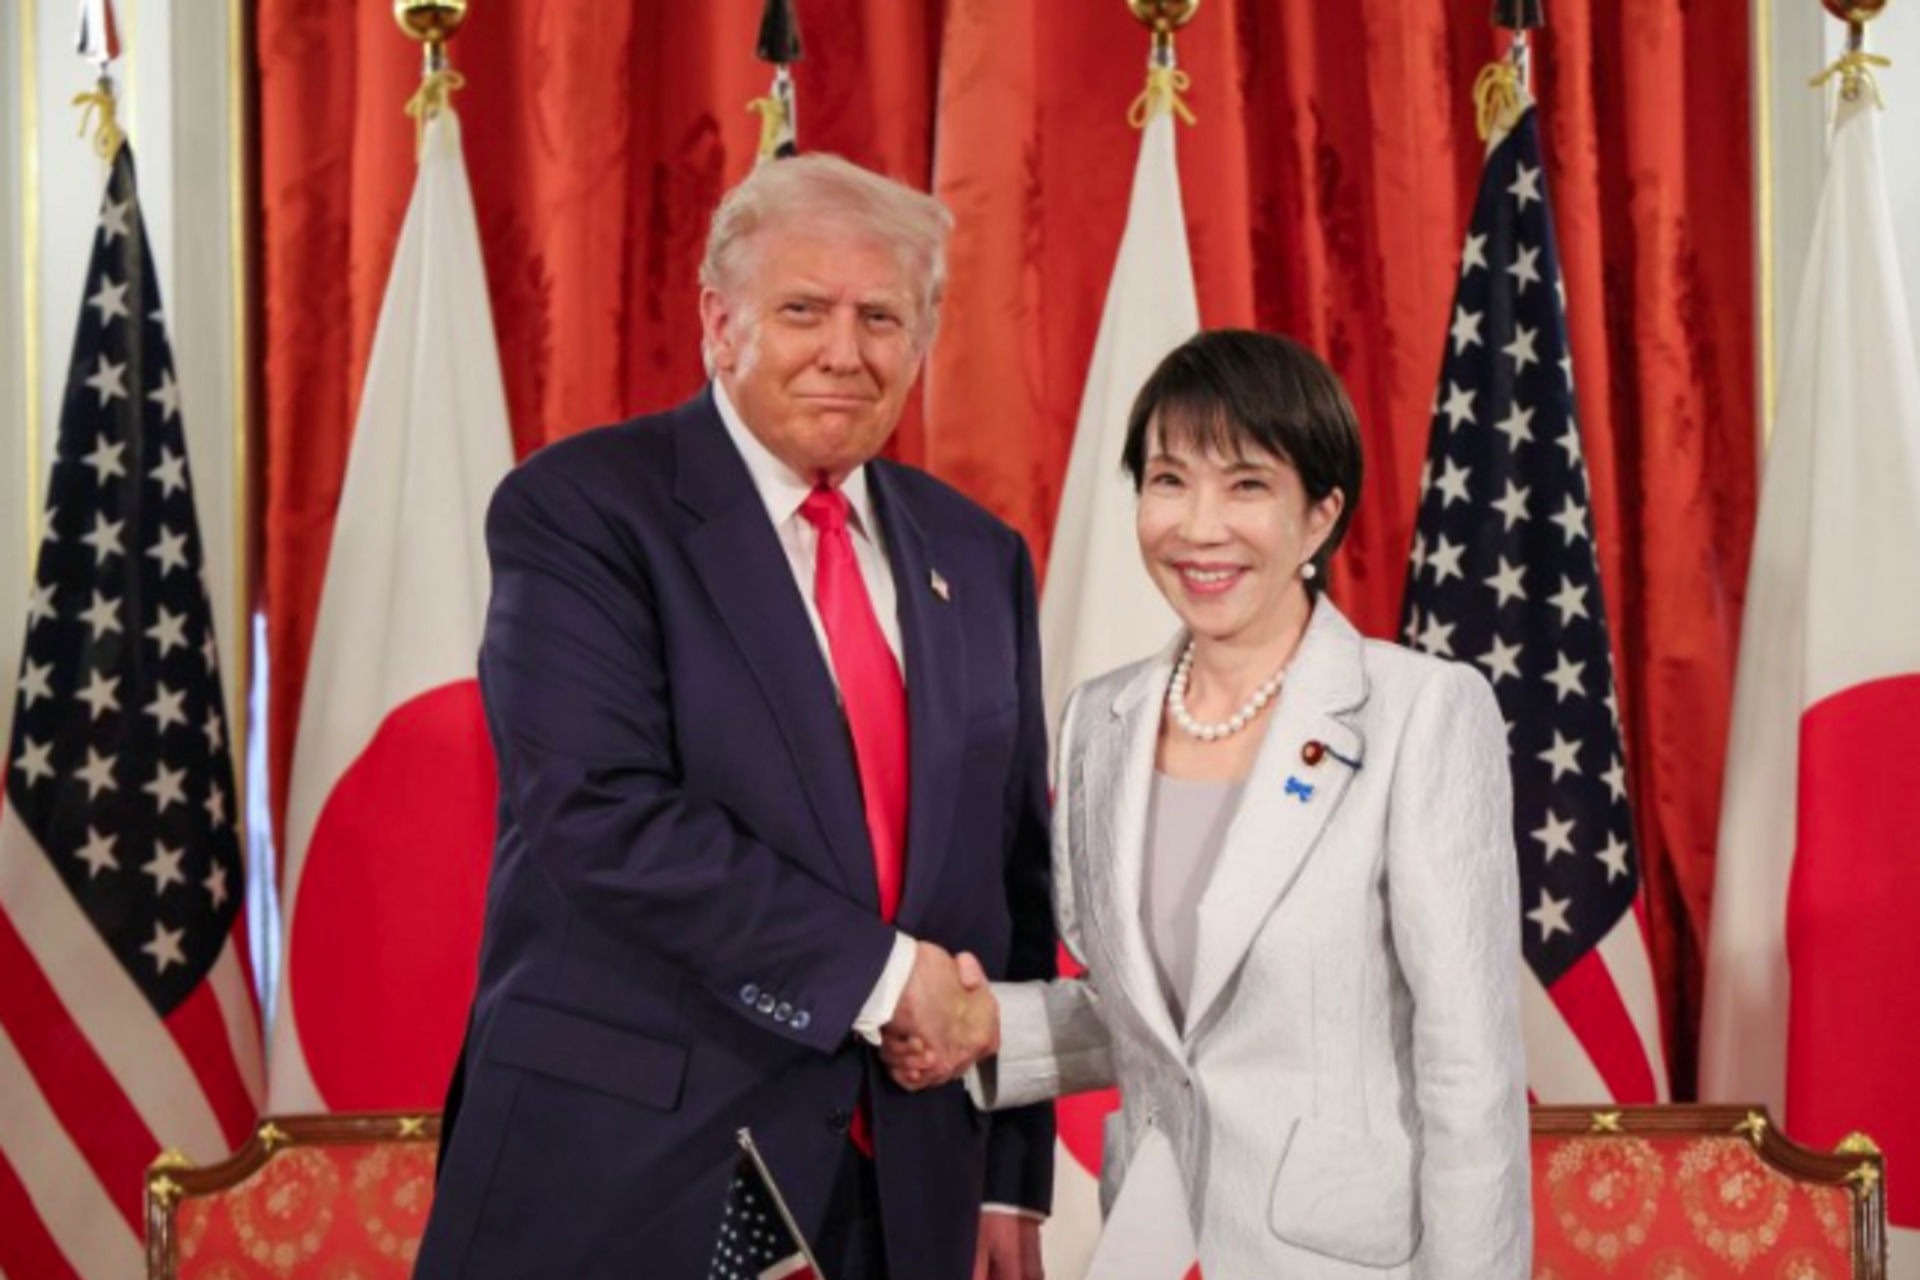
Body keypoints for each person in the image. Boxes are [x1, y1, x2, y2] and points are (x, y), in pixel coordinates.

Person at [414, 155, 1054, 1280]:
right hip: (635, 1170)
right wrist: (886, 977)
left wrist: (1010, 1169)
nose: (844, 352)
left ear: (926, 336)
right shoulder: (582, 510)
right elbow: (598, 812)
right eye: (803, 309)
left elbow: (1009, 872)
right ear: (720, 321)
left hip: (906, 1187)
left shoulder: (978, 553)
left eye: (882, 316)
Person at [887, 330, 1531, 1279]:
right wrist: (994, 1030)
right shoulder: (1100, 720)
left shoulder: (1420, 713)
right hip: (1151, 1244)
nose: (1198, 526)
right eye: (1167, 480)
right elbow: (1155, 1016)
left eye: (1246, 485)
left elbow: (1469, 1070)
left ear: (1320, 516)